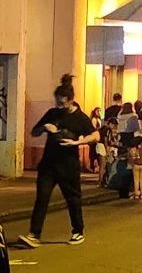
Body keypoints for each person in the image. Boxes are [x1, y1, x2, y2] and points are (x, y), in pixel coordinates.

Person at [19, 75, 99, 248]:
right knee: (42, 198)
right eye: (57, 102)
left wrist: (77, 142)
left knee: (73, 199)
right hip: (48, 165)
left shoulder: (80, 118)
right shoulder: (52, 113)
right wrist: (44, 127)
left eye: (62, 103)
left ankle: (78, 231)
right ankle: (34, 234)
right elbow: (34, 132)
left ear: (70, 101)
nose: (59, 106)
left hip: (68, 166)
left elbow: (95, 135)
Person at [99, 118, 119, 187]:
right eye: (114, 125)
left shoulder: (103, 128)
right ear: (110, 124)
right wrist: (107, 150)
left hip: (99, 146)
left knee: (103, 165)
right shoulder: (107, 129)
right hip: (102, 146)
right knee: (103, 165)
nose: (114, 127)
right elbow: (105, 140)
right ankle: (101, 182)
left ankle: (102, 181)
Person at [87, 107, 103, 174]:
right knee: (93, 153)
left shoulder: (99, 119)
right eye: (97, 111)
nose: (98, 112)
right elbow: (94, 128)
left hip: (97, 137)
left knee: (95, 152)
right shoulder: (94, 119)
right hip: (95, 138)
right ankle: (93, 167)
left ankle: (96, 167)